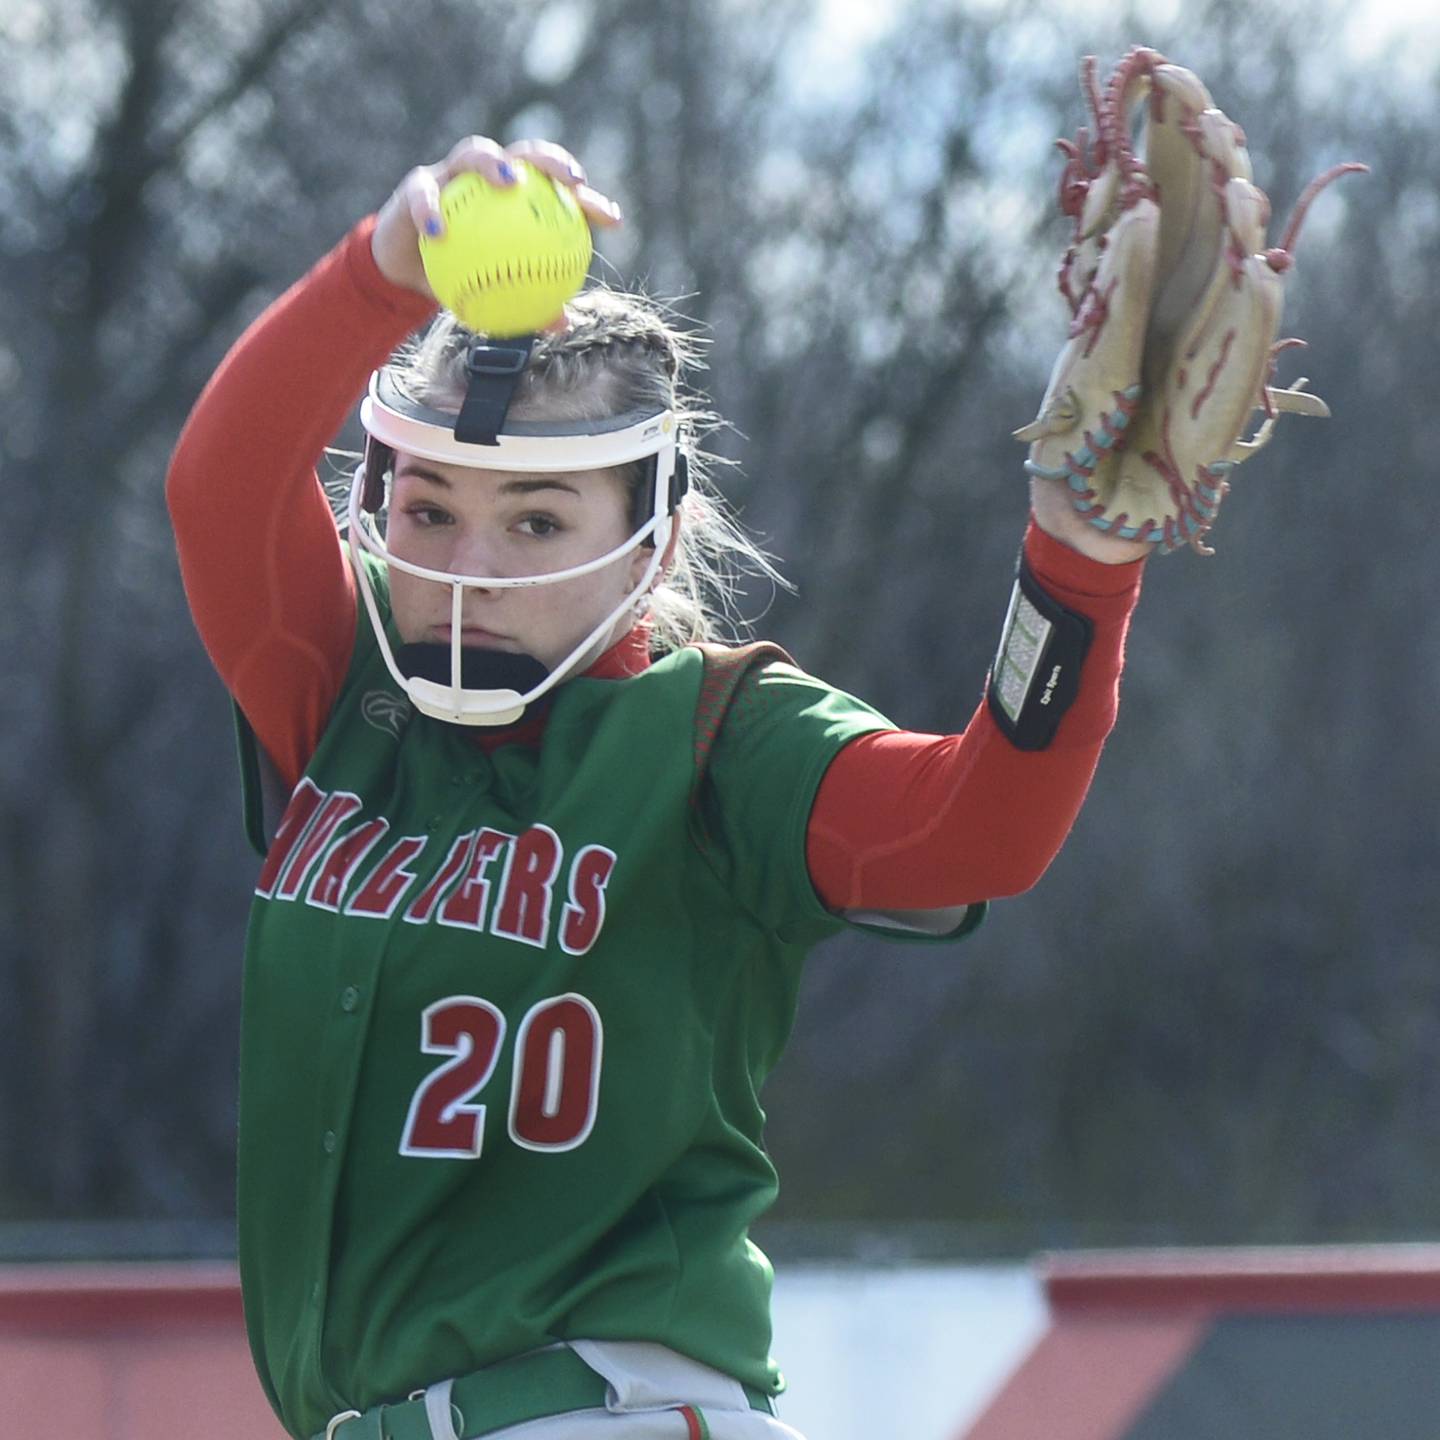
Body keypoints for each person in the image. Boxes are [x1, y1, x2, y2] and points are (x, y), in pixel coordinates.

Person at [167, 136, 1146, 1440]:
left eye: (535, 519)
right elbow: (219, 484)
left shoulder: (712, 738)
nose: (467, 565)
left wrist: (1077, 572)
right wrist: (383, 271)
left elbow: (979, 827)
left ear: (653, 534)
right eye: (430, 508)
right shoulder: (349, 694)